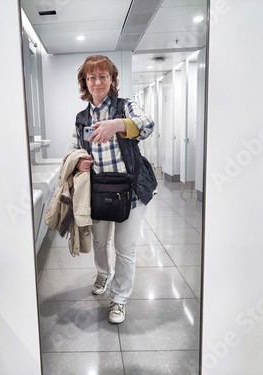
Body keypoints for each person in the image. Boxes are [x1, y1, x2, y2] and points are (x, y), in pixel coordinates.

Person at [73, 55, 157, 324]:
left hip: (130, 189)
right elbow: (74, 149)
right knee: (99, 241)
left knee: (125, 248)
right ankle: (103, 273)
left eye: (103, 76)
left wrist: (118, 124)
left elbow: (147, 125)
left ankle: (119, 299)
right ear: (85, 82)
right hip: (99, 190)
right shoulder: (81, 117)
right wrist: (80, 161)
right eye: (91, 77)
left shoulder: (125, 106)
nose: (97, 81)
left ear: (111, 79)